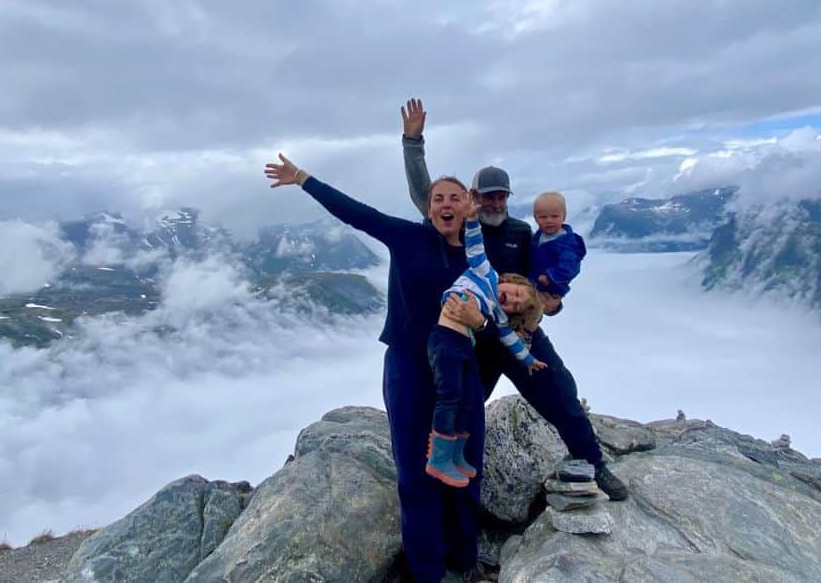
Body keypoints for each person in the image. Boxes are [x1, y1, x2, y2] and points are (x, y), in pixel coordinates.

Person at [264, 152, 489, 582]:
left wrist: (482, 321)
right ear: (428, 208)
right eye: (438, 197)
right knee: (415, 473)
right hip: (409, 367)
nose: (446, 204)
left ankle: (465, 561)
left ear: (468, 206)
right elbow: (355, 213)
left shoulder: (480, 259)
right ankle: (427, 572)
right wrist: (303, 179)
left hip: (461, 369)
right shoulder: (406, 236)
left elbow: (499, 310)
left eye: (455, 198)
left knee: (466, 464)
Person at [400, 97, 629, 501]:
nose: (494, 203)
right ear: (474, 196)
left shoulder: (522, 231)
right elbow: (426, 194)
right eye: (487, 196)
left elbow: (539, 279)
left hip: (518, 335)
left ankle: (594, 463)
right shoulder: (458, 224)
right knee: (459, 410)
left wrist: (552, 301)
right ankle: (443, 485)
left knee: (561, 393)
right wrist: (412, 143)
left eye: (501, 196)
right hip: (474, 337)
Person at [426, 199, 546, 488]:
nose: (513, 299)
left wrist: (529, 360)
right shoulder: (485, 273)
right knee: (450, 395)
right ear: (509, 280)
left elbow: (513, 343)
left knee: (467, 398)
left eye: (517, 305)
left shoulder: (498, 317)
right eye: (516, 291)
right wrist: (470, 220)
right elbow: (475, 245)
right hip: (445, 339)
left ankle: (455, 455)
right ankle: (438, 458)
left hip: (462, 344)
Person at [530, 191, 587, 312]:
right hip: (535, 282)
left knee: (535, 311)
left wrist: (550, 276)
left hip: (552, 286)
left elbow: (571, 267)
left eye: (554, 216)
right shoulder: (538, 237)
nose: (549, 220)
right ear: (535, 218)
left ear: (564, 217)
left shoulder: (568, 242)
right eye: (543, 217)